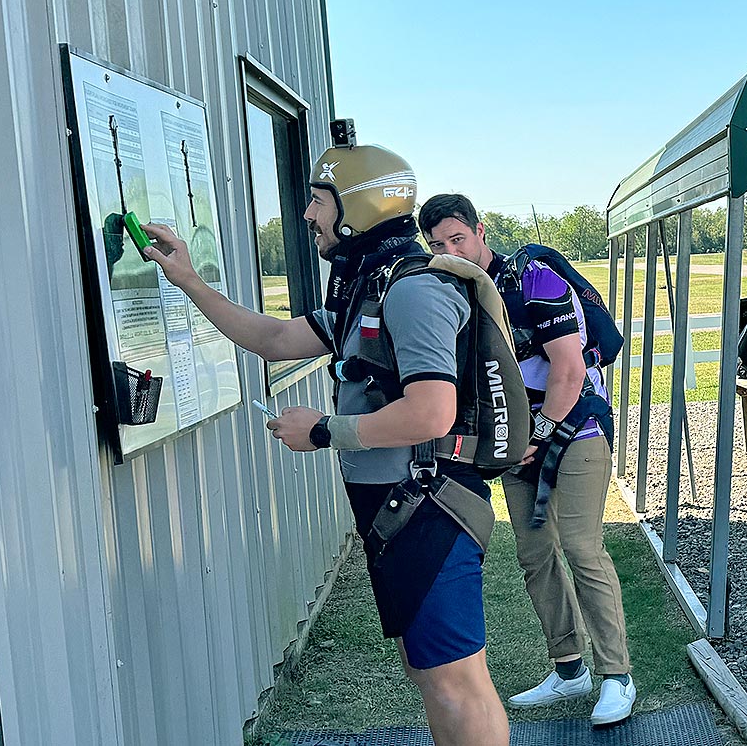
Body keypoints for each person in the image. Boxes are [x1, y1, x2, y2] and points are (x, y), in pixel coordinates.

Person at [138, 144, 507, 745]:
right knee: (431, 672)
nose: (308, 215)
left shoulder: (412, 290)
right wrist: (188, 281)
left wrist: (323, 431)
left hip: (427, 505)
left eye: (316, 200)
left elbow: (432, 411)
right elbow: (276, 338)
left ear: (355, 207)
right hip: (400, 507)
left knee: (455, 678)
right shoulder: (369, 287)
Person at [418, 195, 637, 725]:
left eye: (459, 239)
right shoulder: (455, 295)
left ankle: (617, 675)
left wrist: (537, 433)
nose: (452, 251)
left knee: (582, 546)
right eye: (439, 245)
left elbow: (568, 371)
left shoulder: (536, 282)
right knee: (534, 554)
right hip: (518, 440)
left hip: (575, 426)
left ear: (480, 230)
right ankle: (569, 669)